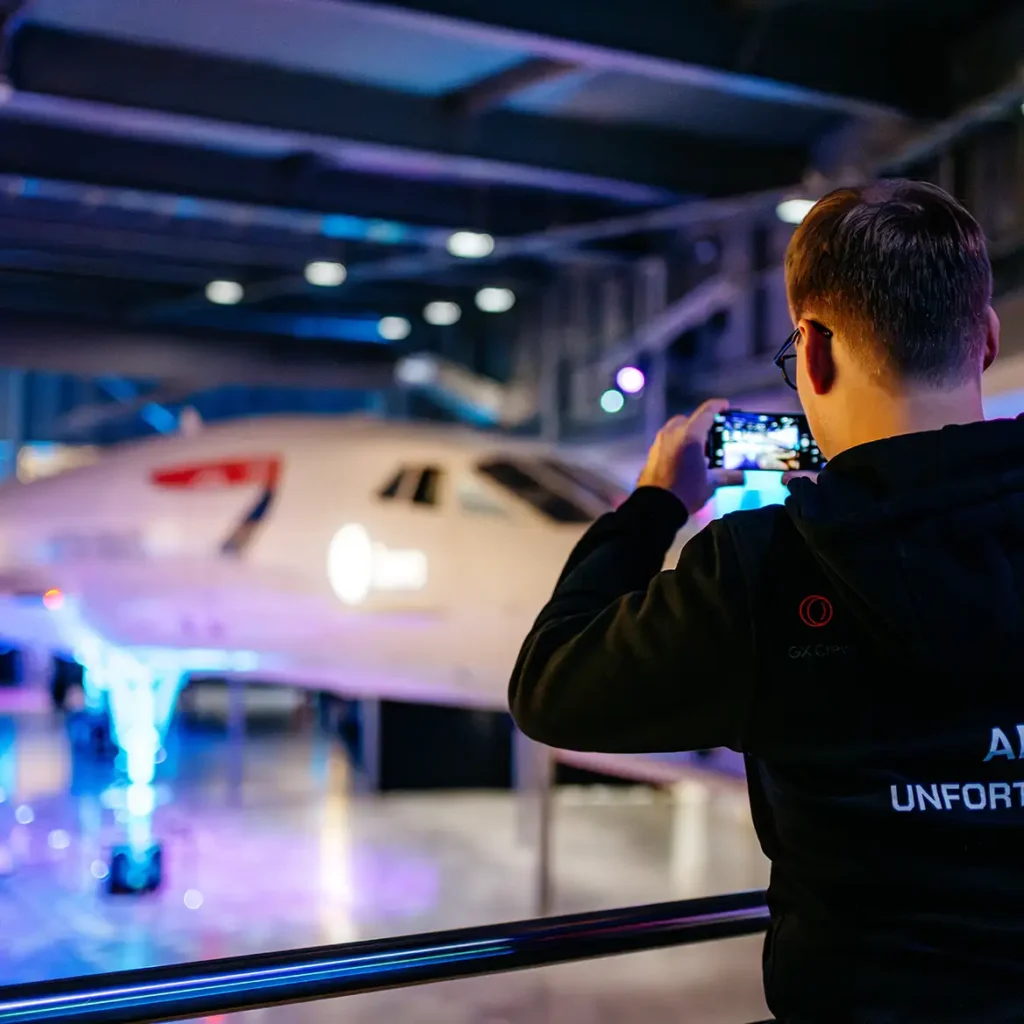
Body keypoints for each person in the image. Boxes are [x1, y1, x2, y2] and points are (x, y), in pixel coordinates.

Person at [508, 179, 1024, 1023]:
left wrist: (651, 510)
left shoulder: (763, 571)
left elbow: (551, 684)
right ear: (988, 341)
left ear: (812, 353)